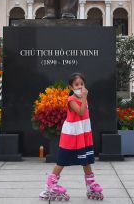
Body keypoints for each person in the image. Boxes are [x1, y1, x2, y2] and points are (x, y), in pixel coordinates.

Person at [40, 72, 103, 201]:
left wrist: (84, 98)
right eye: (76, 84)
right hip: (71, 135)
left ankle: (91, 184)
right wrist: (84, 97)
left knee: (86, 160)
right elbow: (80, 112)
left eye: (81, 84)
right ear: (70, 87)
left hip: (83, 133)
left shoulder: (83, 99)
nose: (80, 87)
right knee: (62, 160)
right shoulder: (71, 100)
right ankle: (50, 185)